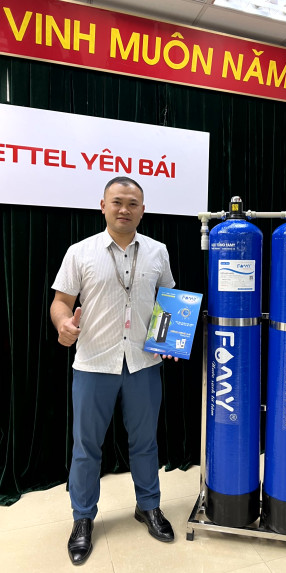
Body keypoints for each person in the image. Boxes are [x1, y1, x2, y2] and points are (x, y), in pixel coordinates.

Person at [50, 176, 177, 566]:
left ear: (143, 210)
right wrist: (63, 324)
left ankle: (148, 506)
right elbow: (61, 301)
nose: (125, 209)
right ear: (102, 206)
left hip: (143, 363)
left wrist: (169, 340)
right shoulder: (80, 252)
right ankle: (83, 518)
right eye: (117, 201)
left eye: (133, 203)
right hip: (94, 363)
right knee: (86, 447)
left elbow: (169, 300)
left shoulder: (157, 251)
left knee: (145, 442)